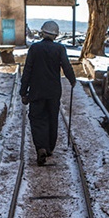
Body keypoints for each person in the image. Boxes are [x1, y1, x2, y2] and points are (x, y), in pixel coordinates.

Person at [20, 21, 76, 165]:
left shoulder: (34, 48)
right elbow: (66, 66)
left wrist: (23, 91)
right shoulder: (60, 49)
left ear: (42, 33)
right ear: (56, 35)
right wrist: (72, 80)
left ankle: (41, 147)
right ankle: (49, 148)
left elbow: (27, 71)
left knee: (37, 120)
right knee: (52, 119)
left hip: (36, 91)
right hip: (53, 92)